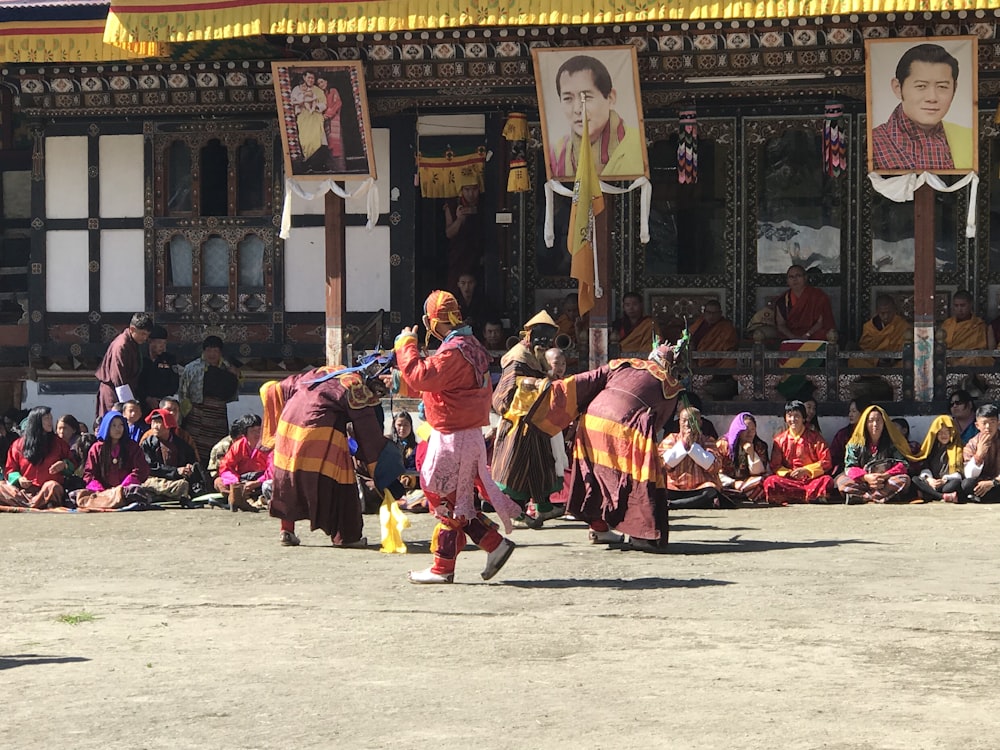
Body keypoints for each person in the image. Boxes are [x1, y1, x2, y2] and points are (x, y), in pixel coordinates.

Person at [394, 290, 522, 583]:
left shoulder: (453, 351)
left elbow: (423, 377)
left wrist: (406, 343)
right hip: (467, 436)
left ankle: (444, 567)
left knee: (442, 498)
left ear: (431, 321)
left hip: (452, 437)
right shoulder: (470, 345)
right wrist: (400, 380)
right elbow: (442, 385)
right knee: (457, 500)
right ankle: (494, 544)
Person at [529, 341, 683, 551]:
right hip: (625, 428)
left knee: (594, 475)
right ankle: (641, 535)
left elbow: (588, 380)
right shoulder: (669, 384)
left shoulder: (624, 364)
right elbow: (657, 423)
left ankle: (600, 529)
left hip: (592, 420)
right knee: (636, 480)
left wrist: (554, 392)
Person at [266, 363, 406, 549]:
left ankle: (287, 530)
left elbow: (274, 388)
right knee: (342, 482)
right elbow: (368, 433)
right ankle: (347, 536)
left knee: (289, 479)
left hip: (288, 428)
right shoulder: (355, 385)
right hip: (317, 430)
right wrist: (380, 464)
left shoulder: (324, 371)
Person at [491, 310, 565, 528]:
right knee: (516, 466)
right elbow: (510, 391)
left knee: (542, 462)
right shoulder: (518, 357)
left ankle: (544, 506)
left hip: (536, 419)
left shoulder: (535, 353)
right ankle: (514, 509)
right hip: (518, 421)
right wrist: (537, 384)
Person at [870, 43, 973, 172]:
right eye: (921, 86)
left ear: (954, 89)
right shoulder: (873, 141)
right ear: (897, 88)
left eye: (942, 87)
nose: (932, 97)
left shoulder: (968, 138)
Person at [548, 54, 645, 180]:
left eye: (586, 97)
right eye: (568, 98)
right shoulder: (557, 152)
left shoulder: (636, 144)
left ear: (610, 98)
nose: (577, 109)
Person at [179, 335, 240, 466]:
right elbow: (183, 391)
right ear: (204, 351)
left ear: (220, 352)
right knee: (193, 445)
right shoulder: (192, 368)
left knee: (218, 445)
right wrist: (186, 411)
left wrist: (234, 375)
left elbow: (235, 388)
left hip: (217, 413)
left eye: (216, 351)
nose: (212, 354)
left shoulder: (227, 367)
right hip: (196, 412)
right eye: (209, 350)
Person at [835, 405, 914, 504]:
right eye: (871, 421)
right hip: (862, 481)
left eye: (879, 421)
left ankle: (865, 497)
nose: (875, 424)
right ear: (865, 423)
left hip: (885, 482)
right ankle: (878, 496)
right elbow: (850, 467)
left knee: (904, 479)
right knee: (842, 481)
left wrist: (884, 476)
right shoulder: (855, 444)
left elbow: (902, 465)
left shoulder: (892, 443)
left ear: (884, 423)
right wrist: (867, 478)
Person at [0, 406, 73, 509]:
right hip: (24, 493)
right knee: (1, 487)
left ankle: (31, 505)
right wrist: (19, 479)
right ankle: (35, 504)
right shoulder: (18, 444)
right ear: (36, 421)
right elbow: (10, 470)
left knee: (53, 486)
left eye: (51, 418)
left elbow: (72, 464)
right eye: (46, 418)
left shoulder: (59, 443)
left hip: (47, 491)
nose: (50, 421)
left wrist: (64, 465)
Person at [763, 400, 834, 505]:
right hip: (789, 480)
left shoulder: (815, 437)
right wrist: (789, 473)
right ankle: (809, 496)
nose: (793, 419)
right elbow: (775, 465)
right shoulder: (780, 440)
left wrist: (806, 470)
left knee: (827, 480)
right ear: (785, 418)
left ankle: (798, 496)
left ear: (804, 418)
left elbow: (826, 461)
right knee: (770, 481)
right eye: (789, 416)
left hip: (810, 480)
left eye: (797, 416)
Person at [76, 410, 150, 509]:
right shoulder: (96, 448)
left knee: (136, 491)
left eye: (121, 425)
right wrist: (100, 490)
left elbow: (140, 470)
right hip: (102, 492)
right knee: (77, 495)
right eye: (113, 425)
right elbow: (89, 474)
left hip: (125, 490)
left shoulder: (132, 446)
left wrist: (122, 487)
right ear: (106, 426)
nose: (118, 429)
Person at [658, 406, 724, 509]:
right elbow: (664, 464)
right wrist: (683, 445)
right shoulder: (671, 439)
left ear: (700, 423)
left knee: (711, 491)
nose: (687, 425)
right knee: (660, 489)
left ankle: (675, 504)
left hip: (700, 487)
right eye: (684, 421)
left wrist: (693, 447)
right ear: (679, 422)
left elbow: (713, 466)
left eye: (692, 421)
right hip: (675, 486)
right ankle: (686, 502)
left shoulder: (708, 441)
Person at [94, 312, 154, 419]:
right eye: (142, 334)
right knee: (113, 425)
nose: (145, 338)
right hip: (114, 393)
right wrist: (129, 405)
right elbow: (118, 378)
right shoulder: (121, 346)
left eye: (147, 335)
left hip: (127, 390)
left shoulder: (133, 343)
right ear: (132, 329)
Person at [139, 408, 201, 505]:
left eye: (159, 422)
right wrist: (176, 471)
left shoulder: (181, 444)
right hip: (155, 479)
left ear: (168, 425)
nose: (155, 426)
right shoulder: (147, 444)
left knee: (183, 484)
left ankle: (163, 496)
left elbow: (192, 461)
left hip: (176, 481)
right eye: (153, 423)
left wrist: (189, 467)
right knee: (146, 486)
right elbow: (150, 467)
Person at [216, 413, 269, 512]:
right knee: (218, 481)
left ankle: (239, 499)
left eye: (259, 430)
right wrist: (236, 482)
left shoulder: (267, 446)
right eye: (253, 431)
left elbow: (272, 471)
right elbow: (225, 467)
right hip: (242, 481)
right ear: (245, 434)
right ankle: (238, 497)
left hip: (261, 481)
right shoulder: (238, 446)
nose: (257, 434)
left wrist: (256, 483)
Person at [719, 412, 770, 504]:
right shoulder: (723, 445)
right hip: (727, 483)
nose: (750, 434)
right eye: (745, 429)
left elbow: (759, 473)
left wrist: (751, 454)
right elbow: (716, 471)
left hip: (747, 483)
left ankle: (743, 494)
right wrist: (732, 483)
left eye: (753, 430)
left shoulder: (760, 446)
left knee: (765, 480)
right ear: (737, 430)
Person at [910, 415, 964, 503]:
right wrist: (930, 479)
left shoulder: (959, 448)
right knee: (915, 479)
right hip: (932, 482)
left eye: (947, 431)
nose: (944, 435)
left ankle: (929, 494)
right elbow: (925, 466)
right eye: (940, 432)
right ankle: (943, 496)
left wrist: (944, 480)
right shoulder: (931, 448)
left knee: (955, 484)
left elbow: (959, 473)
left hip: (947, 482)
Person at [775, 265, 835, 341]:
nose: (795, 279)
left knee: (824, 334)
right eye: (791, 277)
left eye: (798, 276)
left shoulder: (818, 296)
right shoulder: (782, 300)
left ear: (805, 277)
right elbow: (780, 324)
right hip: (791, 334)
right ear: (787, 281)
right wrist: (792, 337)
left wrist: (807, 335)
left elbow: (821, 322)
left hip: (813, 333)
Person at [444, 178, 483, 290]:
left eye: (474, 189)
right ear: (461, 190)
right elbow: (449, 233)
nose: (471, 194)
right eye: (467, 189)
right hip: (459, 255)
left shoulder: (484, 204)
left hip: (478, 255)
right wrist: (460, 220)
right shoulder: (452, 205)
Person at [850, 295, 909, 368]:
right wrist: (877, 360)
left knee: (907, 363)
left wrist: (893, 360)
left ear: (894, 310)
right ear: (877, 311)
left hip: (895, 363)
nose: (886, 316)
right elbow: (865, 349)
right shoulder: (869, 327)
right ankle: (879, 375)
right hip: (874, 363)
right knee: (854, 361)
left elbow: (908, 349)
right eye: (883, 313)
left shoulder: (903, 326)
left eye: (889, 312)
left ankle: (882, 375)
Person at [960, 403, 1000, 503]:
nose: (988, 427)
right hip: (981, 483)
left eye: (992, 422)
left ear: (998, 423)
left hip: (997, 482)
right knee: (967, 484)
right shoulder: (972, 444)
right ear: (977, 425)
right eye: (984, 423)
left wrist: (993, 482)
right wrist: (979, 455)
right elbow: (969, 474)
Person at [941, 291, 991, 367]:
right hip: (949, 358)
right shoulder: (947, 324)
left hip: (970, 359)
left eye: (963, 305)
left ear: (970, 305)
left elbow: (980, 348)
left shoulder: (978, 325)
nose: (959, 309)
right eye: (956, 306)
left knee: (976, 359)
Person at [138, 325, 180, 413]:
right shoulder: (140, 358)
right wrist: (147, 398)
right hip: (143, 403)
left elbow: (174, 382)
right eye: (159, 343)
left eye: (164, 343)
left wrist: (162, 400)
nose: (162, 346)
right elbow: (136, 382)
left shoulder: (169, 359)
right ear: (150, 341)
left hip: (164, 404)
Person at [687, 299, 739, 369]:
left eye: (715, 313)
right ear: (704, 313)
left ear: (720, 313)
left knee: (731, 362)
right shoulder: (699, 322)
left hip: (717, 363)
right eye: (709, 313)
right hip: (695, 360)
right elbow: (688, 336)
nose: (711, 316)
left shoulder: (726, 327)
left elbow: (729, 348)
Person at [289, 70, 327, 164]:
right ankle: (307, 159)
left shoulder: (318, 91)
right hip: (303, 118)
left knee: (317, 141)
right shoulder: (297, 89)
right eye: (309, 77)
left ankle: (316, 164)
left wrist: (315, 106)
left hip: (315, 118)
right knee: (305, 141)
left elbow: (324, 104)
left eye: (312, 78)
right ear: (304, 78)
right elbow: (292, 102)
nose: (310, 80)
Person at [829, 399, 867, 476]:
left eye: (854, 411)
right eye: (850, 411)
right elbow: (833, 457)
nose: (850, 414)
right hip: (846, 471)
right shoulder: (843, 434)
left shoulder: (871, 434)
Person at [317, 75, 345, 172]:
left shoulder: (333, 91)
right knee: (328, 145)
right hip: (325, 123)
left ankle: (340, 169)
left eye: (322, 82)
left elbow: (338, 104)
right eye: (319, 83)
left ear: (326, 81)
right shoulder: (320, 94)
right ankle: (331, 168)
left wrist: (328, 114)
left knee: (337, 144)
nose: (321, 85)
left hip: (334, 120)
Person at [452, 272, 492, 339]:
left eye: (470, 283)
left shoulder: (482, 300)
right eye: (463, 283)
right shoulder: (453, 301)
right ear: (458, 284)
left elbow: (486, 318)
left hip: (478, 335)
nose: (467, 287)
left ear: (475, 284)